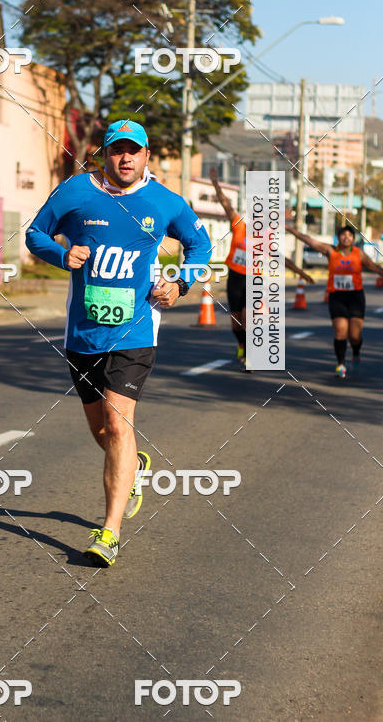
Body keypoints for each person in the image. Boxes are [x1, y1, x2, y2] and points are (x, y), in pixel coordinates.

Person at [26, 120, 211, 567]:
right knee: (104, 433)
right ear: (102, 155)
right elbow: (34, 234)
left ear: (147, 156)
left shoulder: (164, 201)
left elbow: (200, 244)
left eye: (134, 151)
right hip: (83, 333)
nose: (125, 158)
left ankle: (108, 532)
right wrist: (60, 254)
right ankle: (135, 469)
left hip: (136, 330)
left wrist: (181, 283)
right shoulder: (74, 193)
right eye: (116, 151)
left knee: (118, 421)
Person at [209, 169, 314, 368]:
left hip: (253, 281)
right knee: (236, 322)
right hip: (235, 278)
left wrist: (301, 273)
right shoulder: (239, 226)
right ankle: (241, 344)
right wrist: (215, 183)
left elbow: (281, 259)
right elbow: (225, 204)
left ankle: (249, 356)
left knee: (248, 318)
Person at [285, 222, 383, 377]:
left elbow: (373, 267)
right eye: (343, 235)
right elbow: (309, 240)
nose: (346, 237)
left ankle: (356, 353)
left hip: (355, 297)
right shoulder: (330, 251)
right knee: (340, 332)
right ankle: (341, 364)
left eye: (349, 235)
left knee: (355, 336)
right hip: (337, 297)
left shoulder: (359, 254)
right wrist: (290, 229)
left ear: (353, 238)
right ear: (338, 238)